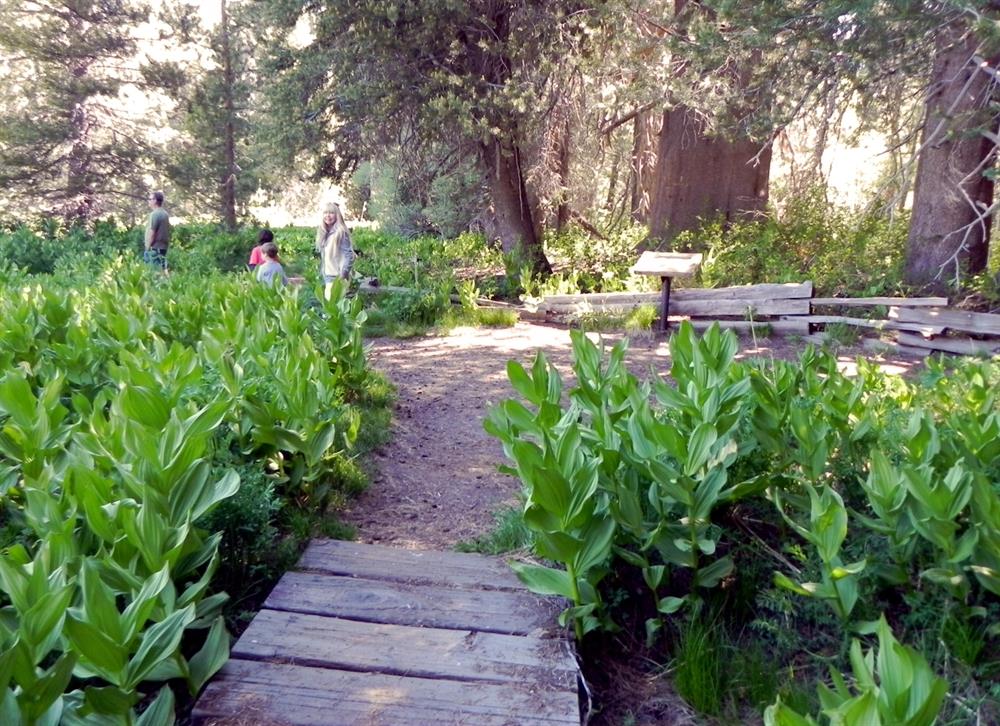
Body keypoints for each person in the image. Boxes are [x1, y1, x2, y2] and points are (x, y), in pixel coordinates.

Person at [315, 202, 355, 298]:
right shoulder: (325, 233)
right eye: (325, 213)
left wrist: (343, 275)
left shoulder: (340, 233)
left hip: (337, 278)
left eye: (331, 213)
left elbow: (349, 256)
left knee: (334, 309)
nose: (328, 216)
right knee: (331, 309)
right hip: (328, 277)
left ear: (337, 215)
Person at [144, 190, 171, 270]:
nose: (148, 201)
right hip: (163, 247)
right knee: (162, 270)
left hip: (154, 248)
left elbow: (152, 232)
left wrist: (148, 247)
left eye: (150, 199)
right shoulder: (165, 213)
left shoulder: (155, 214)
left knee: (153, 272)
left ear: (155, 201)